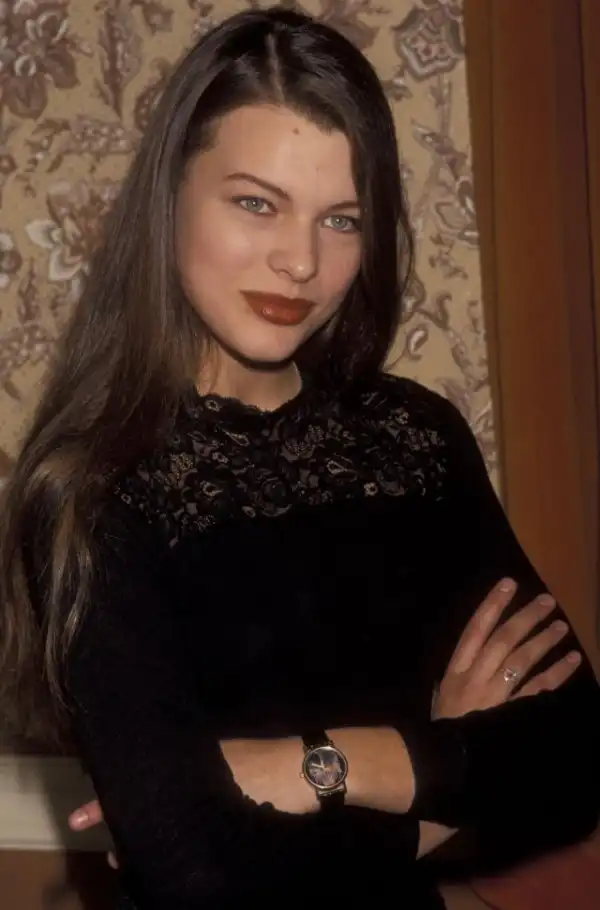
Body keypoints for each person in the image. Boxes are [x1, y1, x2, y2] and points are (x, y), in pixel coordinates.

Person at [0, 6, 598, 909]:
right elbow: (200, 880)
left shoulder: (416, 438)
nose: (301, 262)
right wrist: (445, 768)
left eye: (342, 219)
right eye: (256, 203)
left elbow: (575, 758)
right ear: (169, 198)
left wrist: (318, 765)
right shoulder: (90, 489)